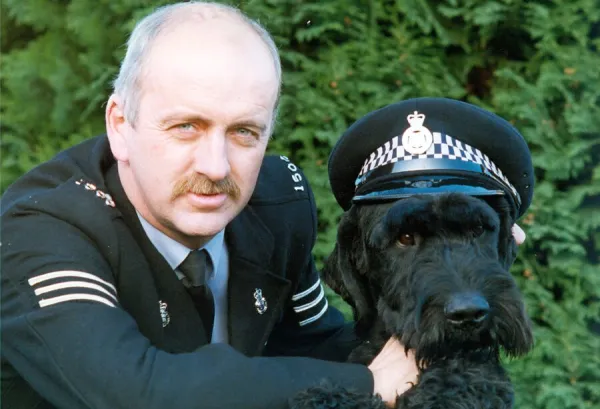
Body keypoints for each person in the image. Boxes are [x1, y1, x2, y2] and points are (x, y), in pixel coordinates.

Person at [0, 3, 528, 409]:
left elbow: (314, 346)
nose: (216, 165)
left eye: (244, 132)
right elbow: (135, 391)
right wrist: (367, 382)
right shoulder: (41, 230)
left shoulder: (279, 205)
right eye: (186, 126)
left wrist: (464, 262)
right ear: (120, 123)